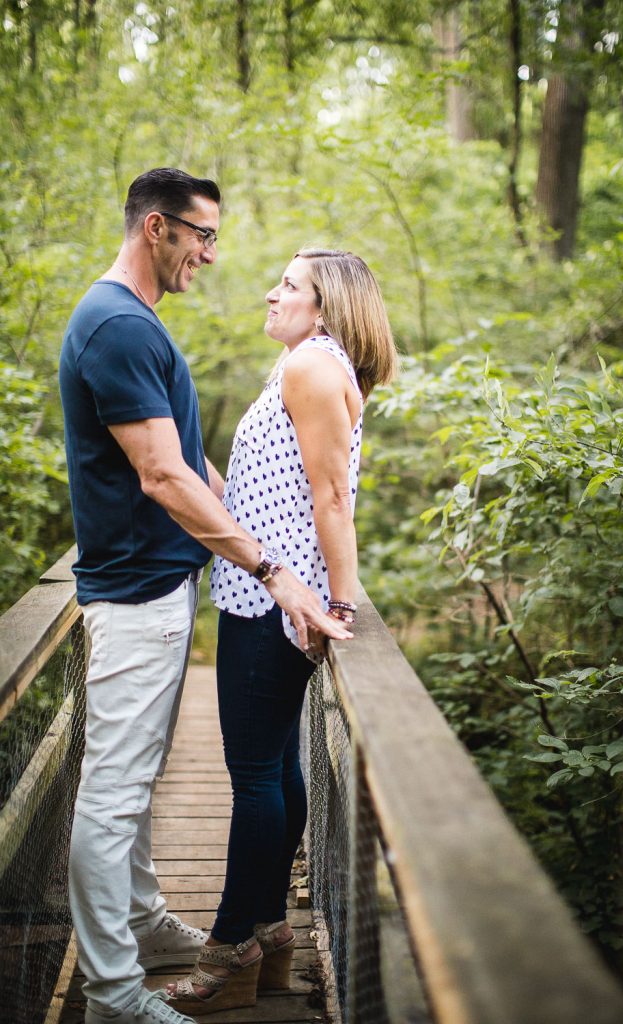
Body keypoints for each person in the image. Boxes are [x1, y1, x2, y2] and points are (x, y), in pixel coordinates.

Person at [59, 171, 350, 1024]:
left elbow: (192, 467)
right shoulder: (116, 325)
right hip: (134, 593)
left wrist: (260, 548)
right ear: (158, 228)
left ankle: (143, 925)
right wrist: (270, 571)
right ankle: (114, 992)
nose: (212, 255)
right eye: (202, 236)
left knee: (137, 782)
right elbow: (160, 477)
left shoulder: (136, 325)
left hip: (163, 587)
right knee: (113, 793)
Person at [166, 248, 397, 1015]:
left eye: (289, 285)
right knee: (275, 769)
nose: (273, 292)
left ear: (325, 305)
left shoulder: (310, 369)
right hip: (265, 594)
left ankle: (230, 941)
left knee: (255, 776)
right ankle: (269, 930)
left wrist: (339, 603)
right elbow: (278, 493)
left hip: (278, 604)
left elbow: (334, 499)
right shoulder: (304, 365)